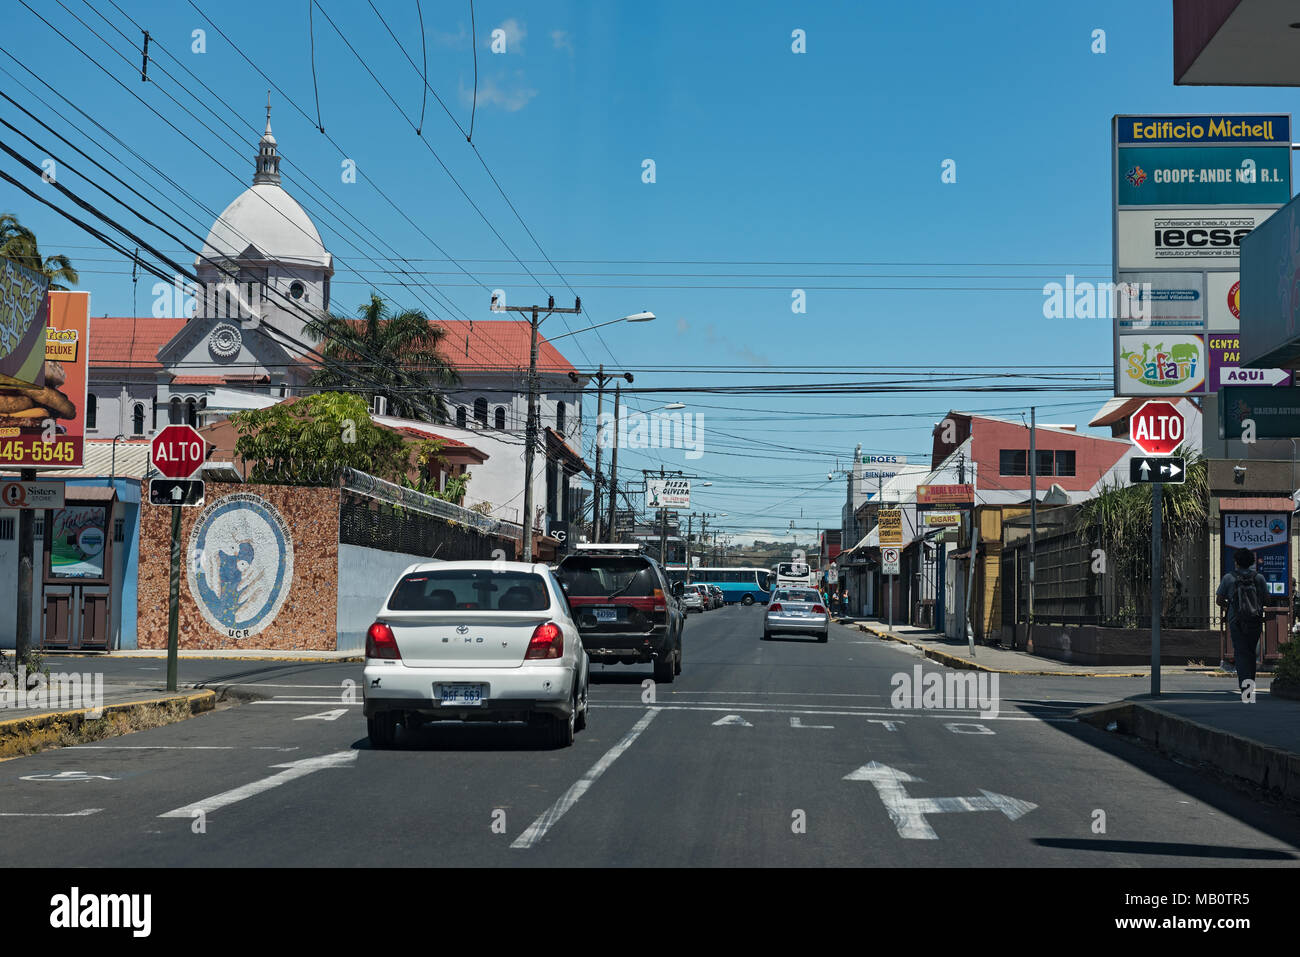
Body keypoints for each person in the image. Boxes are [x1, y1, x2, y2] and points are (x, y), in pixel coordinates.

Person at [1215, 548, 1269, 694]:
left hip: (1236, 620)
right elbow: (1266, 599)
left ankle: (1245, 688)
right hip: (1255, 620)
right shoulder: (1259, 578)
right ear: (1251, 562)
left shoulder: (1229, 578)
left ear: (1236, 561)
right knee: (1251, 653)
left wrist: (1232, 604)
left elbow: (1219, 600)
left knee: (1241, 653)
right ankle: (1250, 685)